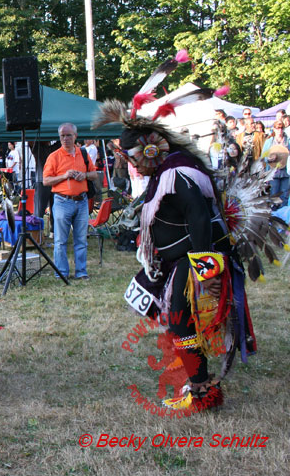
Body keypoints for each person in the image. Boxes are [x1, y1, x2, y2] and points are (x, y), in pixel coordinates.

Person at [93, 54, 269, 414]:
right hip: (175, 263)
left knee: (183, 321)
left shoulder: (179, 173)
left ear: (152, 147)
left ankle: (202, 391)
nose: (132, 164)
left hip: (191, 264)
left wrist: (206, 275)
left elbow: (200, 220)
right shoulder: (166, 172)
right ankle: (196, 382)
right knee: (176, 320)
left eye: (133, 156)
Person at [42, 123, 97, 280]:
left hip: (82, 201)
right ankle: (62, 273)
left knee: (81, 239)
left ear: (75, 136)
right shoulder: (54, 156)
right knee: (60, 240)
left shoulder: (84, 154)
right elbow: (45, 180)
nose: (65, 139)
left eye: (68, 135)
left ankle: (81, 272)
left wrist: (84, 175)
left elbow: (94, 174)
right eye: (62, 136)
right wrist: (64, 176)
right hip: (62, 201)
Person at [261, 120, 290, 207]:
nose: (279, 130)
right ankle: (273, 214)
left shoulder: (288, 141)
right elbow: (263, 156)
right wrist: (269, 158)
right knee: (274, 193)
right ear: (274, 129)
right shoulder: (269, 141)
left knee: (285, 194)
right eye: (277, 128)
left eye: (281, 128)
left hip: (285, 171)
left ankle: (283, 215)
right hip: (273, 172)